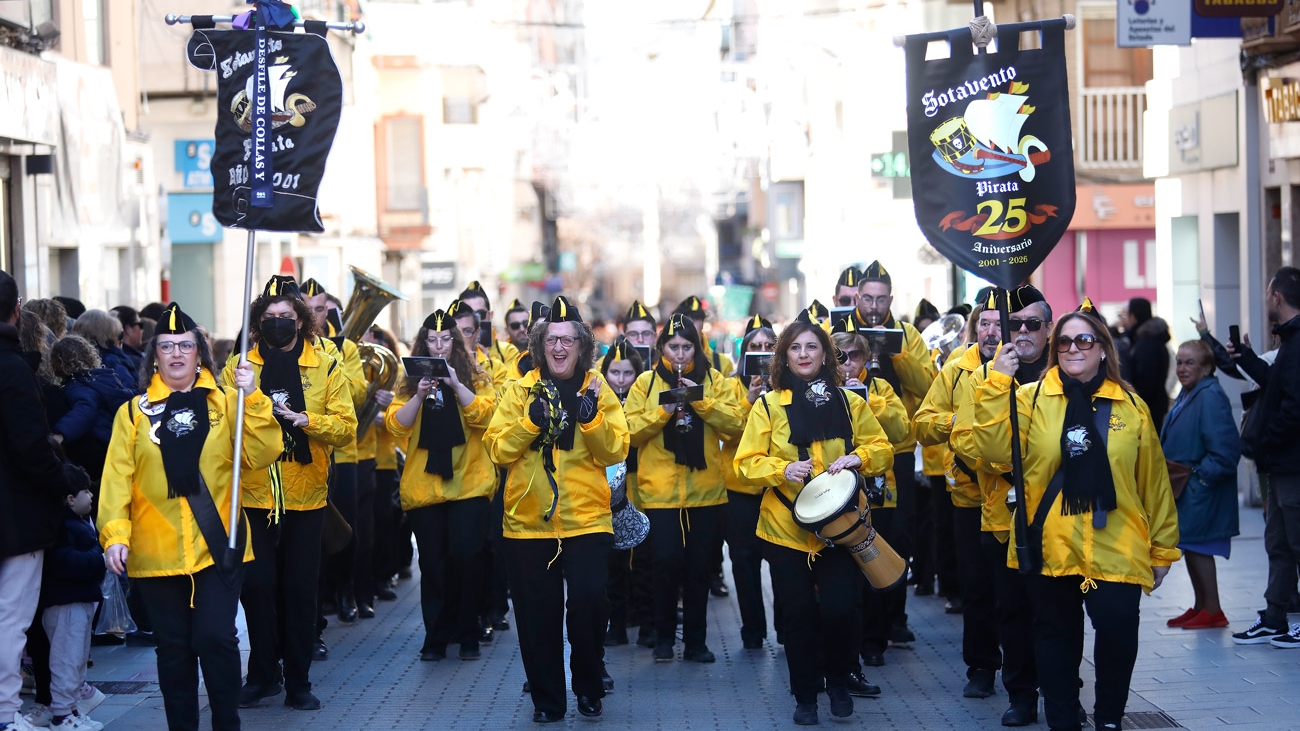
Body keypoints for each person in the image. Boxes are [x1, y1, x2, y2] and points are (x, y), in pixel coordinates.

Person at [973, 300, 1180, 731]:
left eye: (1084, 340)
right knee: (1055, 641)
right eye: (1064, 341)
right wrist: (997, 383)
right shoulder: (1029, 399)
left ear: (1103, 348)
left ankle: (1109, 720)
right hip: (1051, 544)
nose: (1072, 348)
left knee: (1118, 634)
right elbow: (992, 450)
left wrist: (1162, 549)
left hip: (1119, 544)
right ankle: (1063, 721)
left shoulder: (1132, 406)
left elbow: (1154, 483)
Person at [99, 302, 281, 731]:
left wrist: (254, 397)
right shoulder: (132, 413)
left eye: (185, 345)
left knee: (216, 639)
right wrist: (115, 535)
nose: (176, 353)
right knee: (174, 650)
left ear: (200, 353)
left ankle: (226, 724)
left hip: (217, 547)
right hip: (156, 552)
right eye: (166, 346)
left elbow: (263, 453)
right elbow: (117, 480)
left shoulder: (229, 403)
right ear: (154, 356)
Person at [734, 309, 895, 725]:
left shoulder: (850, 401)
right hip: (786, 530)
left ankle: (838, 681)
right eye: (795, 348)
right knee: (798, 615)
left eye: (812, 346)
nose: (804, 354)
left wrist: (859, 457)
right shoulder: (768, 405)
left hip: (840, 529)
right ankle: (805, 696)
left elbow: (883, 448)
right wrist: (781, 469)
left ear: (826, 354)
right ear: (784, 357)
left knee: (841, 609)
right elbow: (745, 462)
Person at [484, 295, 629, 722]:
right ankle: (548, 701)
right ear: (540, 346)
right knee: (536, 617)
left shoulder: (597, 389)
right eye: (551, 340)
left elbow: (615, 451)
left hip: (586, 520)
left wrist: (592, 420)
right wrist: (529, 422)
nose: (559, 347)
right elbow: (497, 450)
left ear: (581, 346)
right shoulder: (518, 390)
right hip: (528, 524)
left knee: (589, 604)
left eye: (567, 340)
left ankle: (588, 684)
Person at [228, 276, 357, 712]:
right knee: (257, 587)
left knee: (300, 591)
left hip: (306, 495)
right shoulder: (239, 366)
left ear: (300, 321)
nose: (278, 322)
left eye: (286, 316)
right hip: (255, 494)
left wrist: (307, 421)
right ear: (257, 322)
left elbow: (347, 428)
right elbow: (226, 426)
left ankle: (298, 680)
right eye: (269, 317)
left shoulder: (327, 366)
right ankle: (263, 673)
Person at [944, 287, 1054, 725]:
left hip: (1059, 517)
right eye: (1014, 324)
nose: (1022, 331)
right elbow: (966, 441)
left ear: (1048, 329)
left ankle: (1063, 691)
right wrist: (1004, 462)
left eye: (1032, 324)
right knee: (1010, 609)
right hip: (1001, 515)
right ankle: (1021, 695)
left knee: (1057, 612)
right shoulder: (983, 376)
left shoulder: (1062, 373)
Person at [624, 314, 745, 664]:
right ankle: (663, 638)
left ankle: (696, 642)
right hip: (660, 493)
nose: (679, 354)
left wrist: (701, 401)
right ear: (662, 347)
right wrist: (662, 412)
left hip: (706, 493)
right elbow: (628, 433)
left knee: (699, 569)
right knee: (664, 566)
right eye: (673, 346)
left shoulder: (715, 380)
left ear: (697, 347)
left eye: (686, 347)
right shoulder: (645, 383)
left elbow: (736, 426)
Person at [386, 309, 498, 661]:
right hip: (425, 486)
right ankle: (436, 636)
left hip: (469, 483)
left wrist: (455, 385)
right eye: (432, 341)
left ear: (456, 342)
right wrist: (419, 396)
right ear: (424, 343)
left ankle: (468, 632)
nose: (438, 347)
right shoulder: (407, 381)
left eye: (445, 340)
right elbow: (395, 425)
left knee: (466, 557)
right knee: (434, 565)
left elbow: (486, 416)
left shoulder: (477, 376)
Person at [848, 261, 938, 662]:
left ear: (890, 300)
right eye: (867, 298)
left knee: (897, 535)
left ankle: (894, 618)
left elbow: (927, 385)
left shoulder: (907, 334)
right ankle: (861, 625)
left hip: (897, 451)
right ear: (857, 298)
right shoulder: (843, 333)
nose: (873, 306)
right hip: (851, 454)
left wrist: (897, 354)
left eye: (880, 299)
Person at [0, 270, 76, 731]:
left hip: (16, 511)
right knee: (11, 617)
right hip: (15, 516)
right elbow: (31, 447)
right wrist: (63, 480)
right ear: (16, 309)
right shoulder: (12, 368)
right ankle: (5, 713)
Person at [1228, 266, 1300, 646]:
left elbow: (1294, 406)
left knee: (1295, 542)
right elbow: (1275, 384)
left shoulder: (1297, 341)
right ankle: (1275, 617)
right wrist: (1247, 358)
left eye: (1267, 293)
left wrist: (1267, 440)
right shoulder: (1289, 341)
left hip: (1292, 462)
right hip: (1281, 463)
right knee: (1278, 542)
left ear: (1277, 297)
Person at [1161, 340, 1240, 631]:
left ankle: (1213, 610)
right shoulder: (1190, 392)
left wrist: (1201, 478)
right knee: (1191, 545)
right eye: (1180, 362)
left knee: (1199, 547)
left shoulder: (1210, 395)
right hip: (1188, 485)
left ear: (1206, 368)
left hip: (1199, 486)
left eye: (1190, 362)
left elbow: (1226, 451)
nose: (1182, 368)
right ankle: (1201, 606)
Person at [301, 279, 367, 626]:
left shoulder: (342, 348)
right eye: (308, 309)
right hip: (307, 452)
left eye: (320, 309)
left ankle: (346, 591)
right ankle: (322, 595)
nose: (315, 315)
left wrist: (332, 370)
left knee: (345, 527)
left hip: (343, 453)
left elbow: (357, 395)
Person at [721, 316, 777, 650]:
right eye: (755, 347)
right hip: (740, 489)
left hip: (778, 487)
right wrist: (749, 401)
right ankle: (753, 630)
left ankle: (787, 627)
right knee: (743, 562)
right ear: (745, 353)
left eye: (769, 346)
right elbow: (726, 431)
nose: (762, 351)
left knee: (783, 561)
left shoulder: (788, 386)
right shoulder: (730, 386)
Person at [598, 339, 647, 647]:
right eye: (614, 372)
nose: (620, 379)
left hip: (640, 482)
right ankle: (616, 625)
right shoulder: (597, 397)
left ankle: (644, 621)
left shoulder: (643, 396)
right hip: (608, 488)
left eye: (627, 373)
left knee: (642, 557)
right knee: (613, 561)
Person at [49, 336, 135, 481]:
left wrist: (60, 433)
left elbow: (84, 410)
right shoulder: (104, 379)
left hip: (99, 446)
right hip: (115, 442)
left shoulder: (78, 386)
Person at [1120, 297, 1171, 430]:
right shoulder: (1150, 340)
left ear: (1133, 316)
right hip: (1154, 404)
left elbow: (1146, 383)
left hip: (1148, 408)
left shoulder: (1146, 344)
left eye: (1127, 315)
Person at [72, 310, 138, 395]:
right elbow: (130, 393)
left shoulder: (72, 361)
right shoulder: (113, 362)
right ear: (109, 336)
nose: (121, 340)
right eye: (119, 335)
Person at [457, 281, 520, 369]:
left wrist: (487, 366)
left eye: (480, 314)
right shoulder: (450, 351)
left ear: (490, 315)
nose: (475, 320)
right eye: (469, 314)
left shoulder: (508, 352)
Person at [673, 296, 733, 375]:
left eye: (695, 319)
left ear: (703, 323)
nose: (690, 324)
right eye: (686, 320)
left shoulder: (723, 363)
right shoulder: (666, 362)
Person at [110, 306, 146, 375]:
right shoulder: (136, 362)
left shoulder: (103, 358)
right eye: (140, 325)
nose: (142, 330)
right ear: (128, 329)